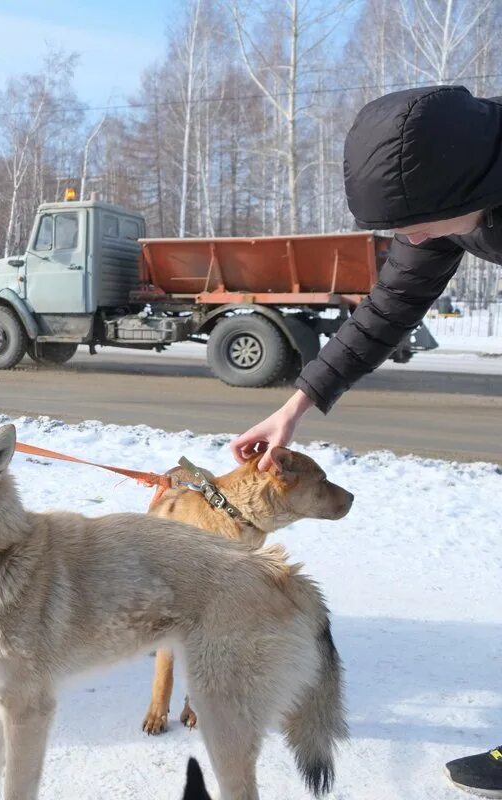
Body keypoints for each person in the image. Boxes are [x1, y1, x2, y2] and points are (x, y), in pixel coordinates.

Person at [232, 85, 502, 798]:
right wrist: (298, 401)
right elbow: (388, 306)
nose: (407, 241)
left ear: (470, 183)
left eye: (411, 227)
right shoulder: (450, 198)